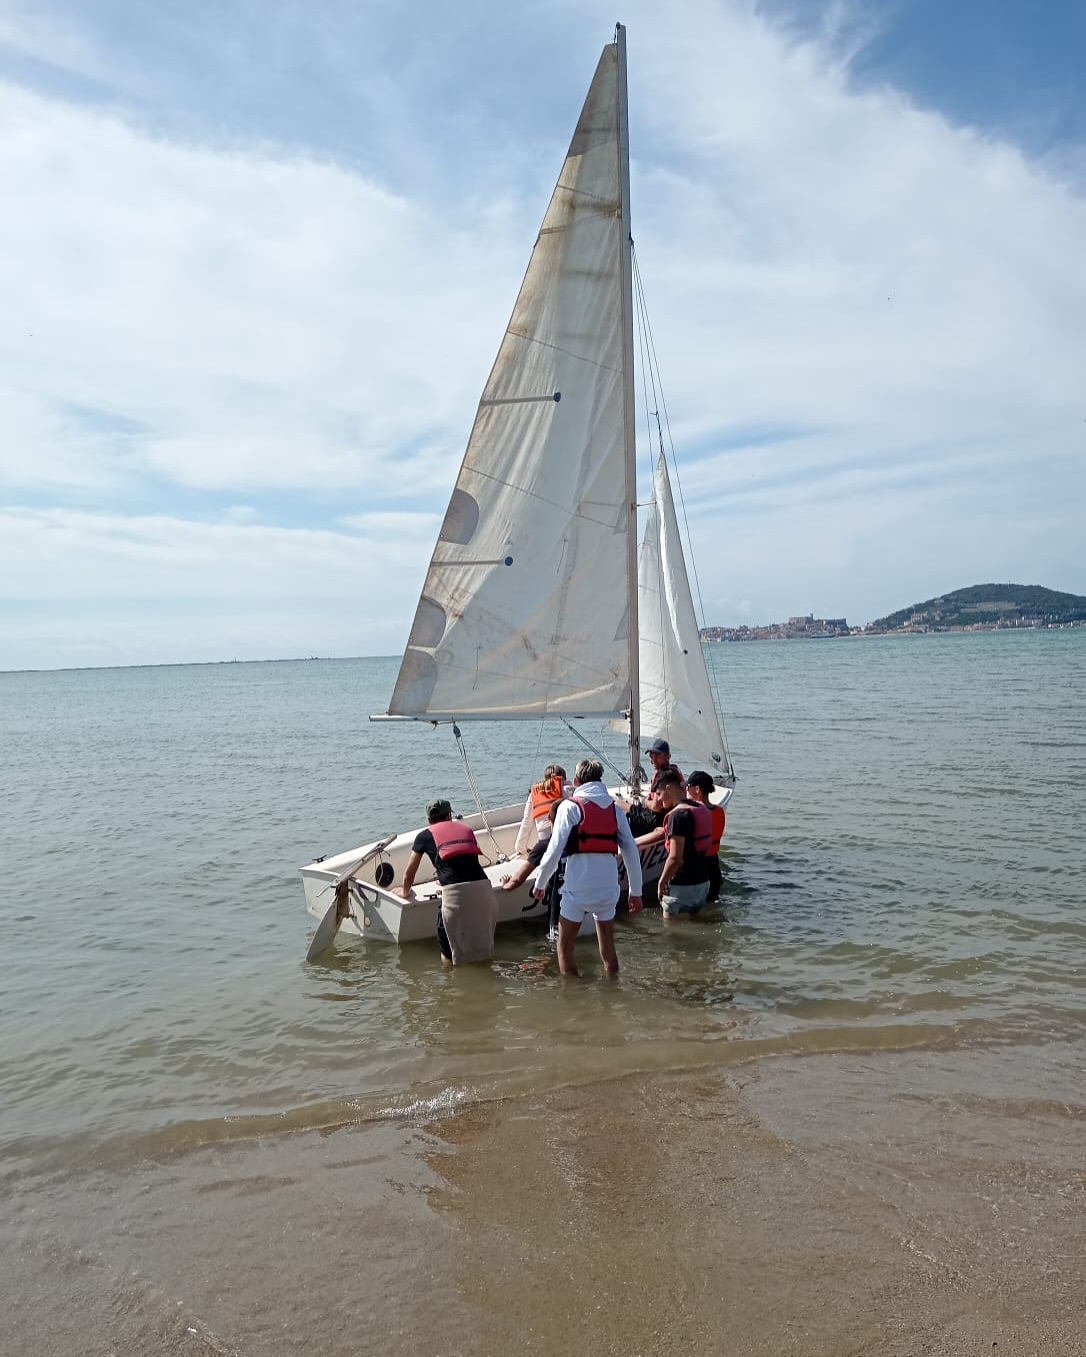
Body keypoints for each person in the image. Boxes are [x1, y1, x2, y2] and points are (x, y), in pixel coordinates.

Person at [533, 758, 643, 976]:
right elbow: (631, 850)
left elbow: (553, 851)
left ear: (576, 781)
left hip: (577, 891)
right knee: (608, 948)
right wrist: (635, 892)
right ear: (600, 779)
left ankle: (573, 1001)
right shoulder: (615, 810)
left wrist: (540, 883)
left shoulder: (569, 807)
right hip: (608, 891)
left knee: (564, 949)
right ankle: (612, 994)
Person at [397, 799, 497, 965]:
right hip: (485, 892)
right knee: (483, 950)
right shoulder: (466, 829)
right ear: (450, 815)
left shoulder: (424, 836)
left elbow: (409, 873)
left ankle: (451, 987)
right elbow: (466, 862)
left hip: (455, 897)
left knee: (449, 953)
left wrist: (405, 891)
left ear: (429, 820)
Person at [653, 769, 713, 920]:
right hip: (702, 884)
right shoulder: (701, 808)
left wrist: (661, 883)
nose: (658, 800)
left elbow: (675, 858)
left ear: (668, 789)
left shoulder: (677, 816)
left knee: (674, 939)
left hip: (682, 888)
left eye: (659, 794)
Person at [685, 770, 726, 903]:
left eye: (688, 786)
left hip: (699, 868)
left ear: (697, 789)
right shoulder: (720, 811)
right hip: (714, 867)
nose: (686, 789)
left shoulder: (693, 812)